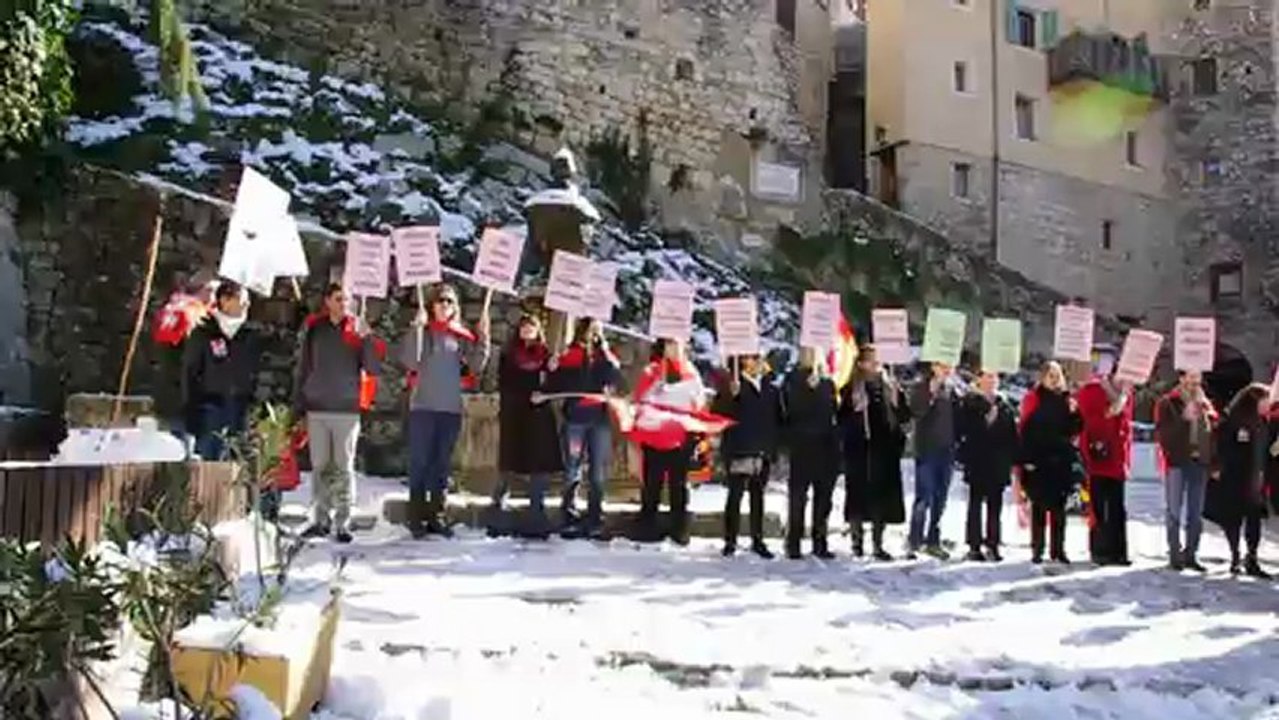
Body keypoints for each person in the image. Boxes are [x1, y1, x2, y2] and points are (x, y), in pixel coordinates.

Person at [400, 283, 491, 539]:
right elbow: (410, 360)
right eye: (440, 301)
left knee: (441, 464)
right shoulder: (424, 332)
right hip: (423, 407)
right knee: (420, 462)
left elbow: (476, 365)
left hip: (450, 410)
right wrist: (416, 329)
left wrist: (484, 337)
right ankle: (416, 515)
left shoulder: (460, 336)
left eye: (450, 301)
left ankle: (436, 514)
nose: (445, 305)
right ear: (432, 305)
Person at [293, 283, 382, 543]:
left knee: (343, 466)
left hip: (346, 408)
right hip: (317, 405)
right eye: (338, 298)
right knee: (320, 466)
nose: (343, 303)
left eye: (347, 299)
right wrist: (299, 401)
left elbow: (372, 368)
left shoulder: (356, 330)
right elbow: (304, 366)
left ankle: (343, 521)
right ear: (327, 301)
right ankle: (320, 518)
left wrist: (367, 339)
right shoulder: (316, 329)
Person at [548, 317, 623, 539]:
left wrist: (607, 356)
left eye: (596, 331)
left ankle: (595, 514)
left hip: (599, 421)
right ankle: (568, 513)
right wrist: (554, 368)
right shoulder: (570, 355)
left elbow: (614, 379)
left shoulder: (604, 357)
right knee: (572, 467)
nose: (592, 335)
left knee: (597, 470)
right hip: (575, 420)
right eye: (589, 330)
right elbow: (557, 383)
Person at [490, 313, 561, 539]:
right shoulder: (509, 354)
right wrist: (520, 398)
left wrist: (552, 373)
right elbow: (503, 382)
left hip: (539, 416)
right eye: (524, 326)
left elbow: (554, 385)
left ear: (538, 330)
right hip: (514, 413)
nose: (528, 329)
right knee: (509, 461)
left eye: (532, 326)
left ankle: (536, 511)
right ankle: (498, 507)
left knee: (539, 464)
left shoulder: (546, 355)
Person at [839, 345, 909, 561]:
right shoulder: (851, 388)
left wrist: (897, 401)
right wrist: (855, 410)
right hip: (860, 449)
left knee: (882, 497)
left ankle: (878, 543)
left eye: (878, 360)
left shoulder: (890, 386)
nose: (876, 364)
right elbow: (840, 419)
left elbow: (904, 416)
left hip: (884, 449)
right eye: (871, 360)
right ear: (861, 364)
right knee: (857, 495)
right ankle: (857, 542)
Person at [634, 338, 705, 545]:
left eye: (677, 345)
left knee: (678, 485)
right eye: (670, 345)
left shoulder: (690, 372)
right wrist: (658, 386)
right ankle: (647, 527)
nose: (674, 349)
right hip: (655, 435)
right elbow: (641, 398)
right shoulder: (652, 370)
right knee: (652, 484)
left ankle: (679, 529)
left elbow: (698, 401)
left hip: (680, 437)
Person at [714, 354, 781, 559]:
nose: (759, 362)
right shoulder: (732, 385)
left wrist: (773, 447)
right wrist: (729, 396)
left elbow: (777, 418)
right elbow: (718, 413)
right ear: (743, 361)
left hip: (762, 449)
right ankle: (730, 540)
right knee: (735, 495)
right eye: (753, 358)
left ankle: (757, 539)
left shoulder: (770, 388)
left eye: (759, 358)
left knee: (758, 496)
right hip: (739, 448)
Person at [183, 280, 258, 461]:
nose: (247, 304)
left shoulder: (251, 334)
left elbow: (258, 368)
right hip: (210, 407)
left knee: (239, 460)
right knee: (210, 459)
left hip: (242, 406)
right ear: (225, 300)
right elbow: (191, 371)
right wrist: (190, 409)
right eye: (242, 299)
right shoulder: (204, 332)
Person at [1206, 384, 1274, 579]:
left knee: (1254, 519)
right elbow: (1223, 447)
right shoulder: (1232, 422)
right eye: (1265, 401)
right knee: (1233, 519)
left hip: (1256, 478)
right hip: (1235, 477)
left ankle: (1251, 557)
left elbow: (1265, 450)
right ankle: (1235, 555)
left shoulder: (1263, 423)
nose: (1267, 405)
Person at [1018, 361, 1082, 564]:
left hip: (1060, 460)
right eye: (1051, 376)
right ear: (1043, 378)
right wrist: (1026, 459)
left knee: (1059, 510)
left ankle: (1058, 550)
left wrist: (1075, 413)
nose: (1055, 380)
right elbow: (1024, 430)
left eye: (1057, 376)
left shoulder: (1067, 400)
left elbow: (1074, 430)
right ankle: (1037, 549)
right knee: (1038, 507)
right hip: (1038, 459)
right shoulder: (1034, 398)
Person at [1154, 370, 1218, 571]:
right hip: (1177, 462)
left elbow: (1214, 432)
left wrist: (1214, 463)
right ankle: (1175, 554)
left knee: (1196, 512)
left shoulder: (1205, 403)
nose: (1194, 381)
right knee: (1174, 510)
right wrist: (1185, 417)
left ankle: (1191, 554)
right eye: (1190, 377)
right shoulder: (1168, 403)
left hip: (1200, 462)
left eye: (1197, 377)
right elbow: (1163, 434)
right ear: (1181, 378)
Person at [781, 347, 840, 560]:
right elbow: (788, 411)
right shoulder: (791, 381)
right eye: (806, 352)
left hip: (825, 448)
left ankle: (820, 541)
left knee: (823, 499)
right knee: (798, 498)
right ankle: (793, 542)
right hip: (801, 447)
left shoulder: (828, 383)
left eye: (814, 352)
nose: (811, 356)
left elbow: (833, 412)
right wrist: (806, 390)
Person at [957, 371, 1019, 562]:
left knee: (995, 505)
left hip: (998, 461)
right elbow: (963, 429)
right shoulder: (969, 403)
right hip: (978, 459)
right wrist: (985, 418)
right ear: (979, 380)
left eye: (994, 377)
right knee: (975, 504)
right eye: (987, 377)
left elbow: (1011, 435)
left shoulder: (1004, 405)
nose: (991, 381)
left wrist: (1013, 459)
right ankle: (974, 545)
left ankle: (993, 544)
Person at [1077, 367, 1135, 566]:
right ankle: (1100, 551)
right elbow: (1091, 418)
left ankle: (1119, 552)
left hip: (1118, 459)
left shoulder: (1126, 395)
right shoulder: (1094, 389)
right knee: (1099, 506)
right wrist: (1113, 406)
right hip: (1098, 456)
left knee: (1117, 507)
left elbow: (1126, 427)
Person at [908, 361, 962, 558]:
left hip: (947, 452)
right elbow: (916, 411)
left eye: (949, 366)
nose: (947, 369)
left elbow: (959, 419)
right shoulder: (921, 386)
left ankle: (933, 540)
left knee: (940, 499)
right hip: (927, 451)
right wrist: (930, 392)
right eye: (942, 365)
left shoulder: (952, 390)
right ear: (933, 366)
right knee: (924, 497)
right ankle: (915, 540)